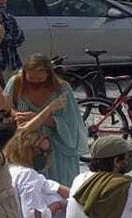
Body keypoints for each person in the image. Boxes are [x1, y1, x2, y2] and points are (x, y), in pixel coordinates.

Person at [6, 54, 86, 188]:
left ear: (49, 75)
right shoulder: (16, 84)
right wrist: (16, 114)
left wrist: (39, 118)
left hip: (55, 151)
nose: (35, 82)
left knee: (56, 190)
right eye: (31, 78)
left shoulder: (61, 89)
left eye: (40, 78)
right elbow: (6, 108)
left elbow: (72, 124)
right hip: (24, 148)